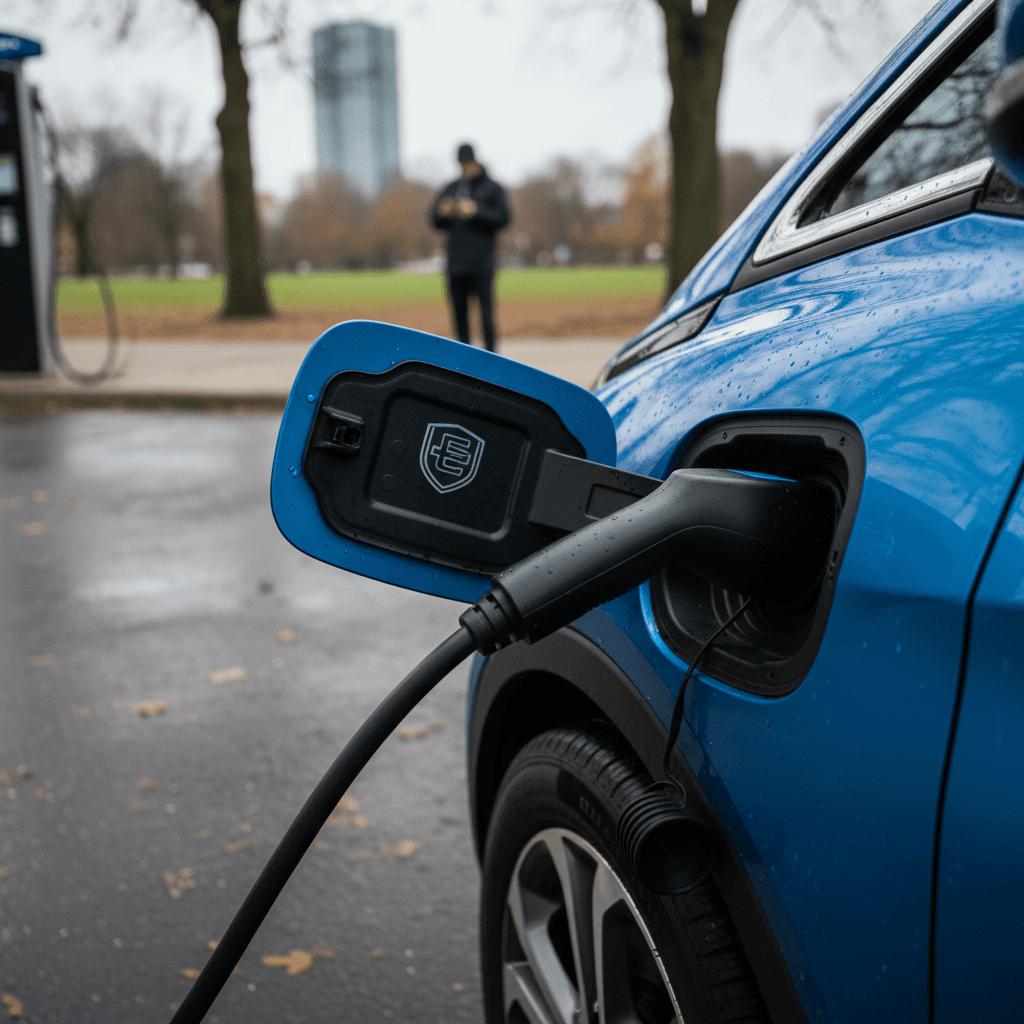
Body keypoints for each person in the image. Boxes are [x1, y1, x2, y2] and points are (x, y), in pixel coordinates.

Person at [431, 143, 510, 352]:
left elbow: (503, 218)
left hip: (482, 264)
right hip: (456, 265)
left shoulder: (492, 188)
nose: (464, 168)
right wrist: (443, 211)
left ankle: (492, 359)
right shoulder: (452, 188)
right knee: (459, 317)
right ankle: (464, 363)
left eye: (467, 164)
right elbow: (434, 220)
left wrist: (476, 211)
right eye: (460, 164)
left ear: (475, 161)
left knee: (486, 316)